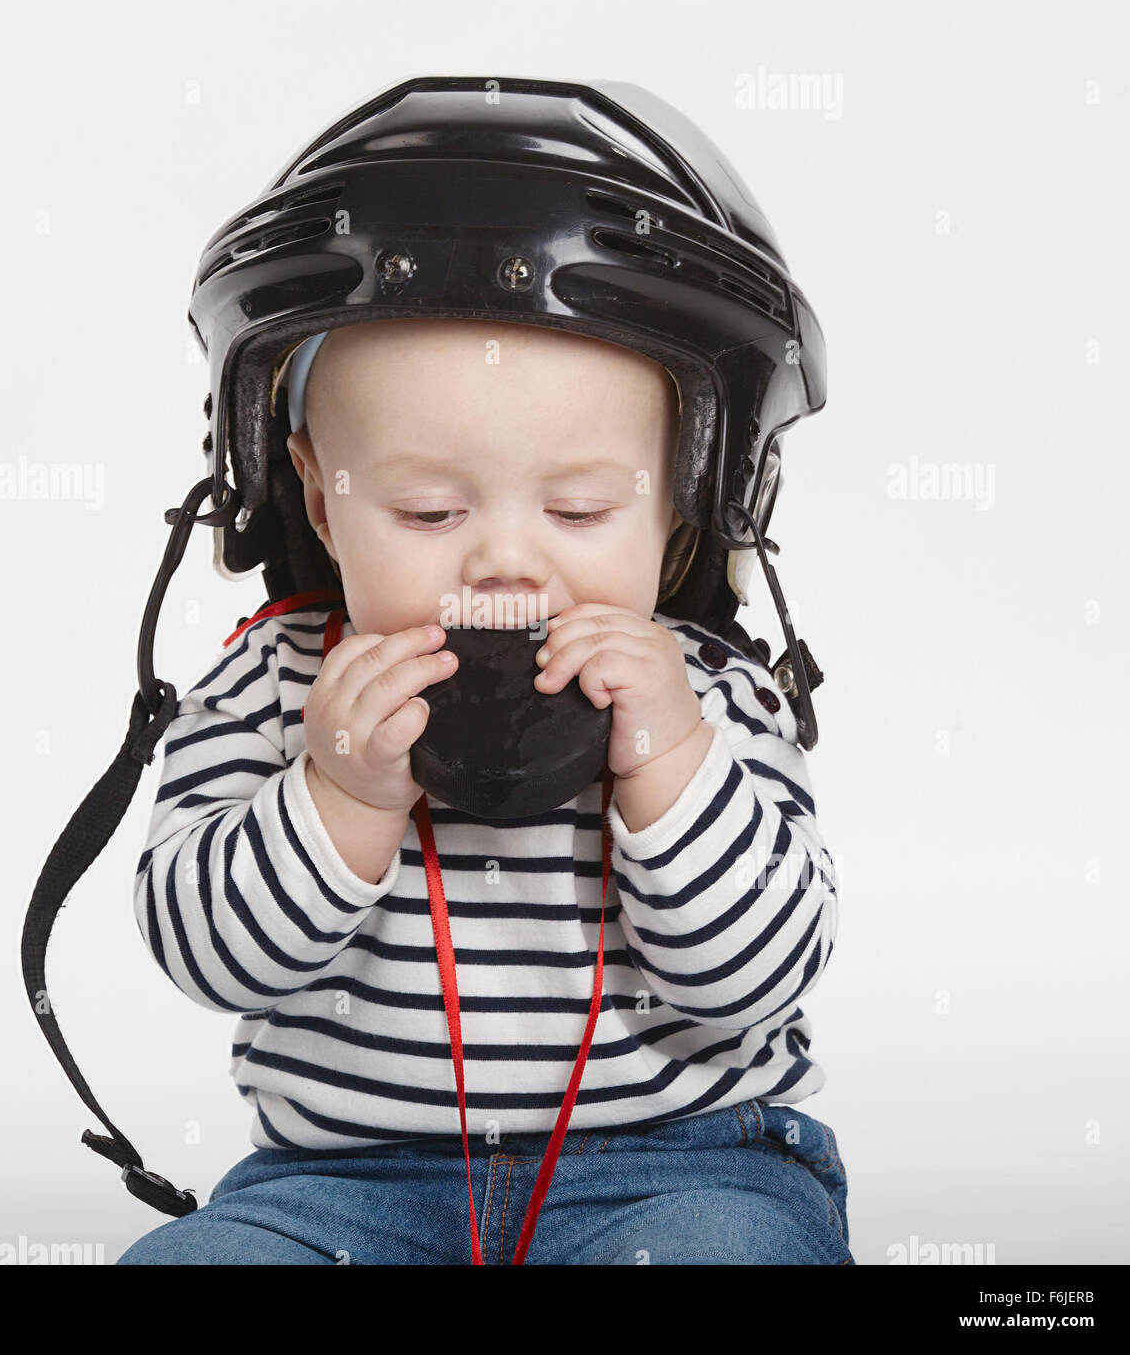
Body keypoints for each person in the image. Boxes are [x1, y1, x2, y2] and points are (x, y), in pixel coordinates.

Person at [111, 74, 848, 1264]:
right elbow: (202, 951)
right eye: (427, 507)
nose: (507, 556)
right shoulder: (267, 691)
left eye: (578, 505)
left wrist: (666, 765)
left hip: (673, 1164)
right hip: (339, 1185)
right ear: (313, 491)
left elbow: (760, 975)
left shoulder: (708, 695)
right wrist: (335, 798)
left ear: (682, 510)